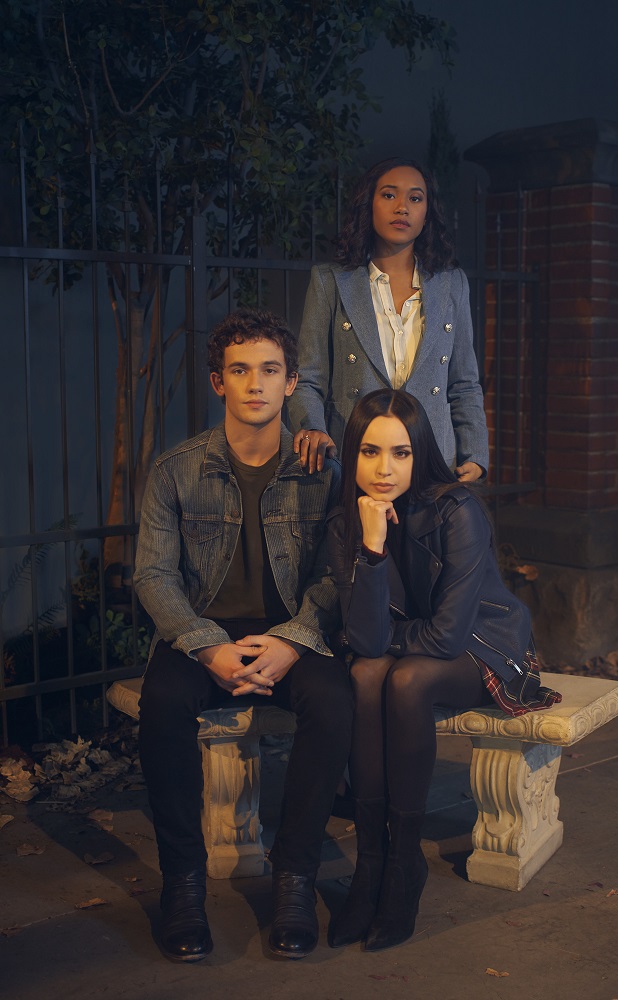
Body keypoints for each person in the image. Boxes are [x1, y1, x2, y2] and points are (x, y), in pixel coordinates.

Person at [134, 308, 352, 963]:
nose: (255, 384)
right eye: (239, 370)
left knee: (333, 701)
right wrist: (205, 646)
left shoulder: (320, 470)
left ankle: (295, 878)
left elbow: (334, 575)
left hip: (291, 631)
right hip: (204, 629)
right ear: (217, 382)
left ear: (291, 383)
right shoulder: (176, 470)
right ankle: (183, 885)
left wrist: (294, 640)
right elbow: (152, 574)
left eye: (269, 370)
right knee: (162, 703)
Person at [326, 388, 561, 952]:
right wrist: (373, 549)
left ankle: (404, 863)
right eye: (370, 452)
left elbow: (447, 636)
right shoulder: (347, 522)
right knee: (366, 675)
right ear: (353, 455)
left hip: (485, 646)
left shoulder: (458, 511)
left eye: (400, 453)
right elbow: (365, 643)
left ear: (420, 453)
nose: (384, 469)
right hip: (415, 646)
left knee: (405, 679)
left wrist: (384, 640)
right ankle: (372, 861)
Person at [288, 157, 489, 480]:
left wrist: (475, 454)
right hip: (356, 456)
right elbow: (309, 378)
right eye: (389, 195)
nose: (402, 208)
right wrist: (313, 428)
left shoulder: (452, 284)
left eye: (415, 198)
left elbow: (464, 384)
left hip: (434, 461)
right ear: (369, 204)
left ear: (427, 213)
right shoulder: (331, 281)